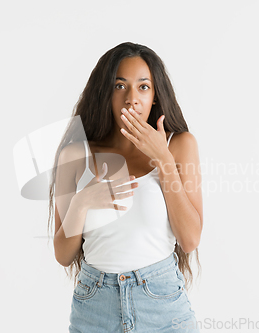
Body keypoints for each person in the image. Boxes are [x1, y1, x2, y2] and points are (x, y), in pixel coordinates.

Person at [47, 42, 203, 332]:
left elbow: (190, 239)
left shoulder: (180, 146)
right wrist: (82, 203)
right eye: (120, 86)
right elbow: (63, 255)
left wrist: (164, 160)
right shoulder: (75, 154)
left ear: (155, 95)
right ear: (105, 93)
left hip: (162, 307)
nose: (132, 98)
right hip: (95, 309)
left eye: (143, 87)